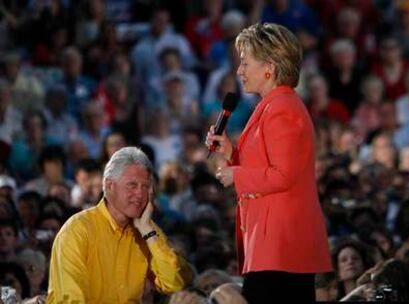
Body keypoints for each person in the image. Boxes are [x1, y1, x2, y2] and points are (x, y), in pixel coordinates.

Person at [205, 23, 332, 303]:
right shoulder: (271, 106)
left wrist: (236, 174)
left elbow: (284, 174)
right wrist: (230, 152)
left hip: (281, 246)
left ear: (269, 68)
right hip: (273, 244)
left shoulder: (282, 108)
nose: (239, 71)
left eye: (245, 62)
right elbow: (268, 164)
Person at [47, 147, 194, 302]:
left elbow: (176, 282)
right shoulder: (77, 231)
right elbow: (71, 300)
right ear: (110, 186)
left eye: (145, 186)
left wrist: (148, 232)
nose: (140, 194)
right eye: (132, 185)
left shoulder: (147, 231)